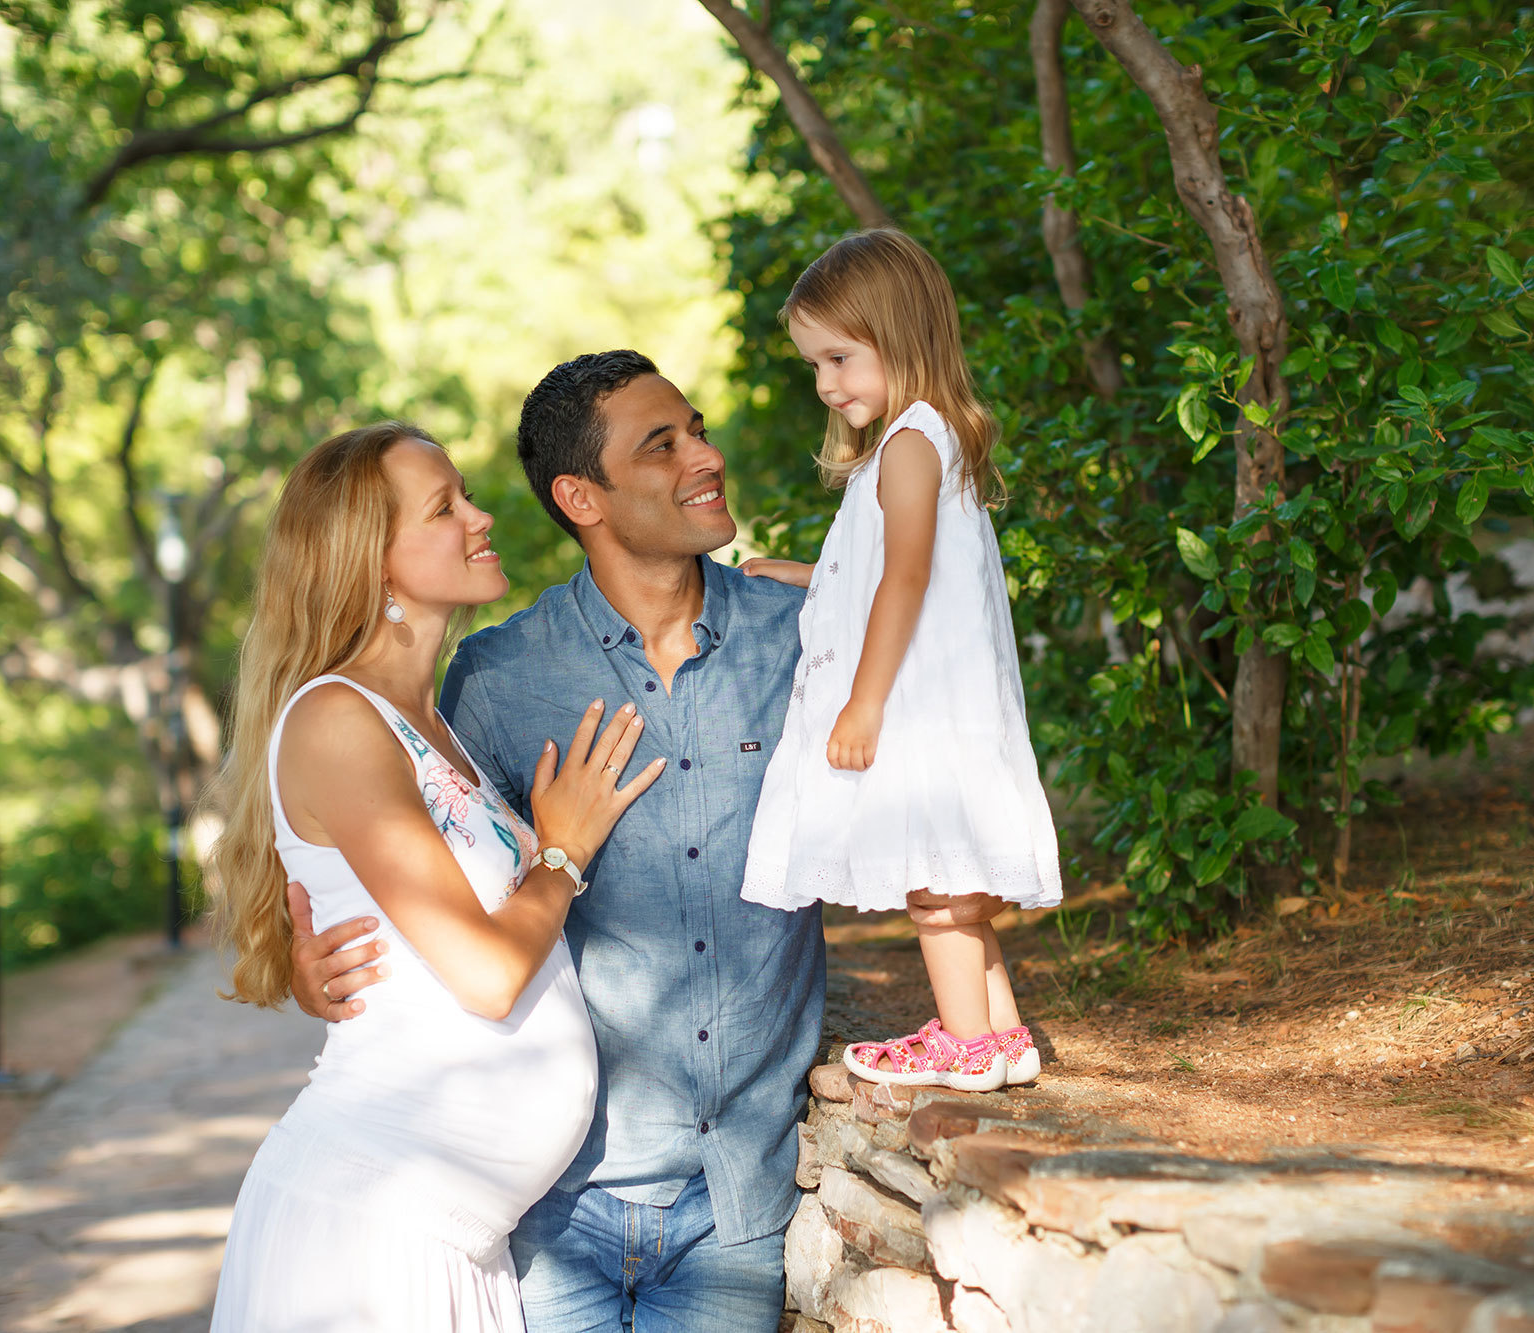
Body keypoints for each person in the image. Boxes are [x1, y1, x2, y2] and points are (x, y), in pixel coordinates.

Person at [286, 352, 1011, 1330]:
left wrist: (833, 582)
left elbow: (950, 719)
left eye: (698, 429)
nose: (703, 456)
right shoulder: (495, 678)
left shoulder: (806, 638)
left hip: (732, 1205)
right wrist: (307, 968)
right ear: (580, 495)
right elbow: (423, 869)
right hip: (549, 1208)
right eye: (660, 444)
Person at [204, 421, 664, 1333]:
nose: (480, 514)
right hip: (374, 1235)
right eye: (445, 506)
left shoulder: (425, 719)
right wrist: (562, 852)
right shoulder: (339, 717)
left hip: (452, 1240)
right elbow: (488, 975)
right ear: (369, 560)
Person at [739, 228, 1063, 1093]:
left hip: (917, 708)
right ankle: (1000, 1036)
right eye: (815, 365)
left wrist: (864, 701)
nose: (825, 383)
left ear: (900, 334)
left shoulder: (911, 445)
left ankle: (962, 1044)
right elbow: (889, 571)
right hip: (948, 708)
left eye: (839, 357)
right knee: (958, 886)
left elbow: (908, 577)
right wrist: (805, 575)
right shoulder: (924, 439)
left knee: (935, 891)